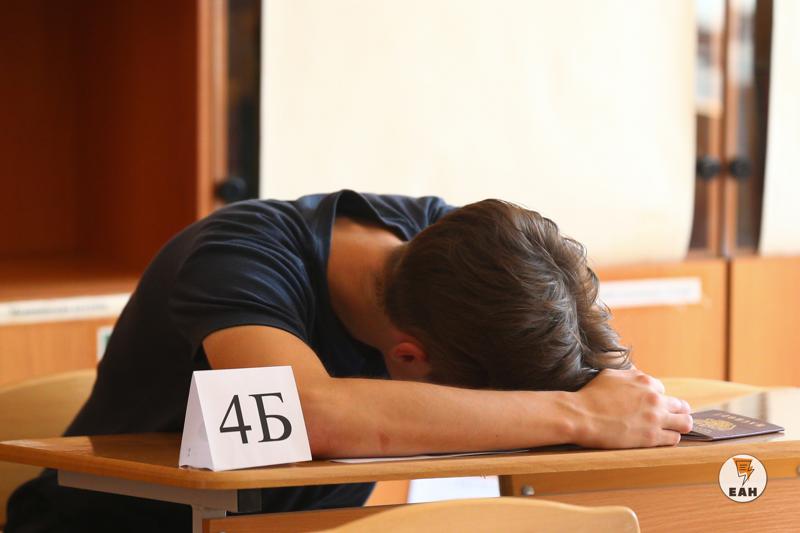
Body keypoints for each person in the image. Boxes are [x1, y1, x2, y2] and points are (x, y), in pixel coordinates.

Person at [6, 190, 692, 532]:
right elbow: (309, 413)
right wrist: (575, 415)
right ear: (407, 356)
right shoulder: (240, 255)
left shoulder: (455, 250)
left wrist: (606, 399)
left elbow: (572, 358)